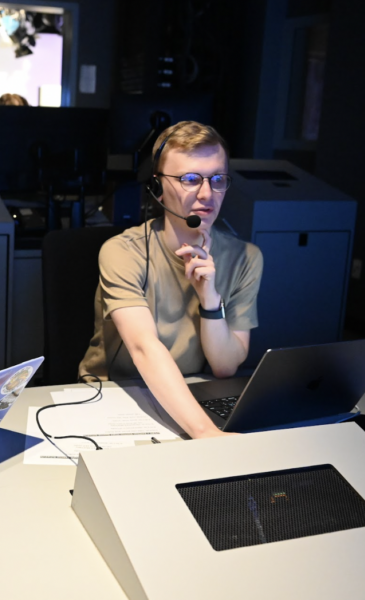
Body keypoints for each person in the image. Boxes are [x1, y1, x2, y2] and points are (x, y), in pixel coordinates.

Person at [78, 121, 263, 439]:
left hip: (196, 391)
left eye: (217, 179)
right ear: (157, 186)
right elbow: (143, 347)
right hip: (119, 392)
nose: (207, 194)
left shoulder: (246, 257)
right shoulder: (123, 252)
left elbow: (225, 367)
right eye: (190, 179)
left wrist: (210, 300)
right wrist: (205, 432)